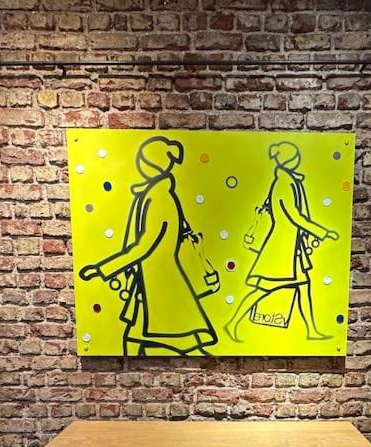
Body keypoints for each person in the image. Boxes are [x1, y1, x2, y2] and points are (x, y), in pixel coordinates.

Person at [79, 136, 217, 356]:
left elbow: (144, 246)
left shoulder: (159, 198)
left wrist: (103, 268)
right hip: (151, 285)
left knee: (172, 343)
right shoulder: (157, 195)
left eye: (144, 162)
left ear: (151, 166)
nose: (141, 167)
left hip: (160, 286)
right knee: (140, 343)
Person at [224, 141, 339, 342]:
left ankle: (311, 330)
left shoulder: (289, 181)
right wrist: (322, 232)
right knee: (263, 288)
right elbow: (295, 216)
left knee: (303, 285)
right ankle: (232, 323)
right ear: (289, 160)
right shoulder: (284, 183)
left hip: (292, 247)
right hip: (283, 247)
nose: (297, 161)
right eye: (294, 158)